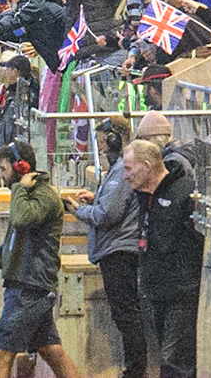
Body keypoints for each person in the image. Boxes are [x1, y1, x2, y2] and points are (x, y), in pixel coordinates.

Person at [0, 141, 83, 378]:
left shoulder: (42, 197)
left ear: (22, 167)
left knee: (1, 354)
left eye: (4, 169)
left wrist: (20, 189)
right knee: (51, 350)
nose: (1, 176)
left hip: (30, 289)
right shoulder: (29, 195)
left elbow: (21, 219)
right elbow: (20, 236)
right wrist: (0, 257)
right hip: (30, 285)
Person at [71, 117, 145, 378]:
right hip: (117, 248)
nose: (101, 148)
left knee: (126, 315)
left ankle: (135, 370)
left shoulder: (123, 168)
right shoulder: (118, 169)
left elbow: (108, 214)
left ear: (116, 138)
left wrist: (81, 210)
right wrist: (97, 197)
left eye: (103, 142)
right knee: (125, 313)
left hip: (119, 251)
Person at [125, 137, 204, 378]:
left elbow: (201, 241)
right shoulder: (142, 194)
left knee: (174, 362)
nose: (126, 176)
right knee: (164, 356)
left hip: (181, 294)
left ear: (147, 166)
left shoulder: (185, 193)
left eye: (129, 169)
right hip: (153, 291)